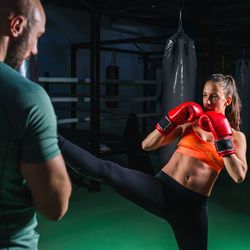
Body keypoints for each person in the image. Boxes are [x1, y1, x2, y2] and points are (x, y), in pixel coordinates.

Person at [58, 72, 247, 250]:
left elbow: (239, 175)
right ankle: (53, 139)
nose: (207, 101)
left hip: (192, 208)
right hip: (161, 188)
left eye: (214, 96)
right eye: (204, 95)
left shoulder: (237, 138)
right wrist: (171, 120)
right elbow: (146, 145)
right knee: (107, 171)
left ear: (227, 100)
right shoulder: (190, 122)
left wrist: (223, 139)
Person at [0, 0, 72, 248]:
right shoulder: (25, 96)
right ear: (17, 25)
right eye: (37, 36)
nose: (35, 50)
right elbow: (55, 206)